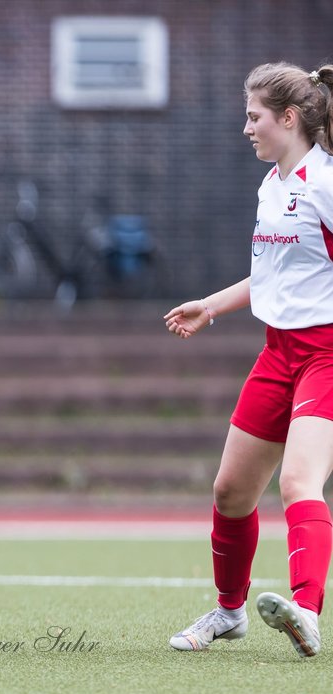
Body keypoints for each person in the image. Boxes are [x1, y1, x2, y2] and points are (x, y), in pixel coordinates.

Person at [167, 62, 333, 657]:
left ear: (288, 119)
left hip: (326, 356)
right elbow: (269, 277)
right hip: (278, 352)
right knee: (231, 492)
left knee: (298, 480)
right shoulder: (271, 185)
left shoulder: (326, 184)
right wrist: (209, 307)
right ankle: (230, 612)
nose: (246, 128)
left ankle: (307, 611)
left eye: (253, 116)